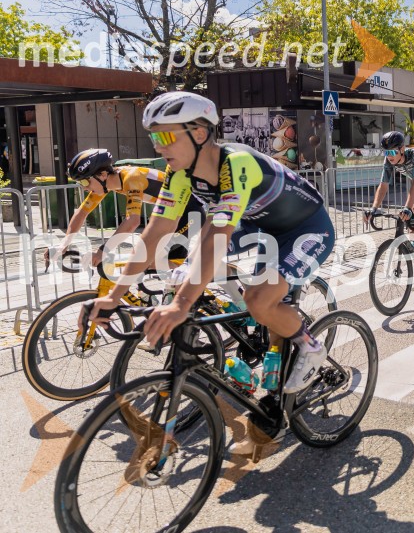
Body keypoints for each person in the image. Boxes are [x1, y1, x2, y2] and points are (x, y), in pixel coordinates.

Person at [85, 91, 335, 452]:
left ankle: (309, 346)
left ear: (200, 133)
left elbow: (218, 235)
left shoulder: (236, 163)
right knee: (183, 267)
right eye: (155, 137)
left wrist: (181, 304)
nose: (159, 147)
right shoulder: (178, 174)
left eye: (167, 136)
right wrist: (112, 297)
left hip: (304, 227)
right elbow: (155, 233)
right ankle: (251, 342)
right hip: (257, 228)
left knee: (259, 299)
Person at [56, 149, 203, 267]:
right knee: (156, 263)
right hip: (174, 216)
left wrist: (103, 251)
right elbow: (81, 214)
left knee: (146, 260)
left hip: (191, 214)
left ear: (102, 174)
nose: (84, 188)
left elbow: (132, 221)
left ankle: (205, 276)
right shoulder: (105, 185)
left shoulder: (131, 178)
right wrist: (63, 245)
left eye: (84, 182)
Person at [364, 131, 414, 261]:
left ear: (402, 149)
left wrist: (407, 207)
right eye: (386, 152)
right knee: (413, 231)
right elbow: (383, 185)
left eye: (392, 152)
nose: (389, 156)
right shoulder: (389, 161)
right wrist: (374, 209)